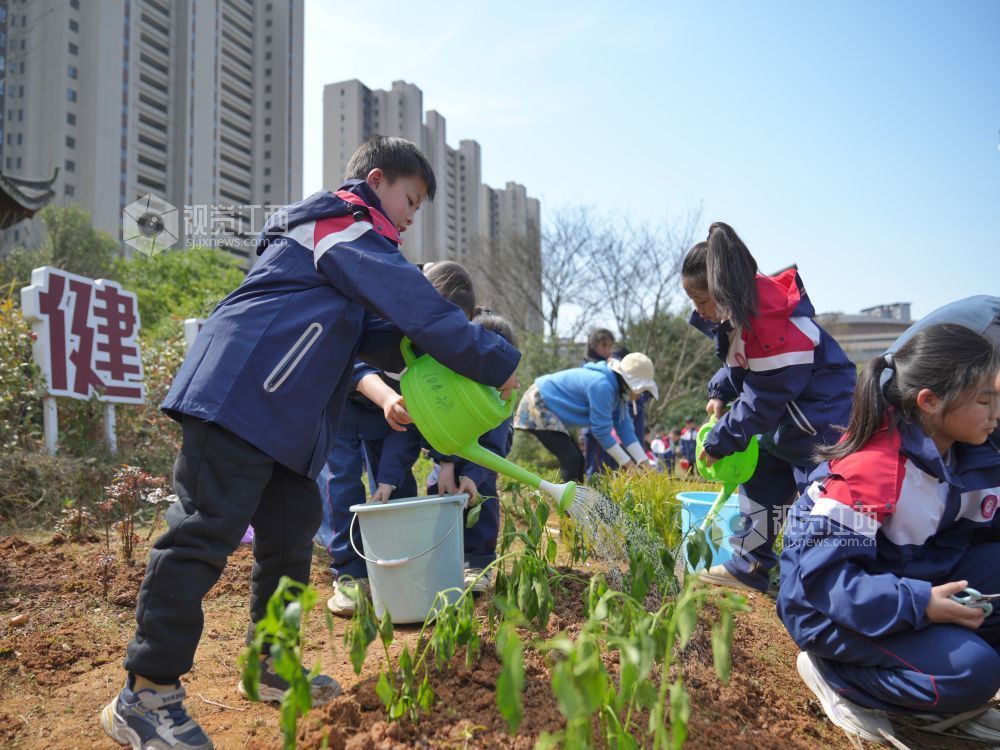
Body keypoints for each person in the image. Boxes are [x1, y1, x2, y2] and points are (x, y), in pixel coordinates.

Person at [100, 136, 520, 750]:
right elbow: (417, 308)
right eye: (411, 198)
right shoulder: (337, 224)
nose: (411, 215)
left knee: (292, 535)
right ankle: (147, 691)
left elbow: (388, 333)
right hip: (241, 394)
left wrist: (439, 365)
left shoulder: (349, 254)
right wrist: (494, 357)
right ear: (377, 181)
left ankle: (271, 665)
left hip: (285, 419)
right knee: (202, 533)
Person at [777, 324, 1000, 744]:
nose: (996, 413)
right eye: (986, 400)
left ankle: (937, 683)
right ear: (930, 402)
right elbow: (825, 581)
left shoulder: (973, 454)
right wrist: (921, 604)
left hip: (904, 571)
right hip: (825, 604)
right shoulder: (873, 470)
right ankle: (839, 675)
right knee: (977, 672)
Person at [681, 222, 855, 593]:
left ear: (723, 291)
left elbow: (763, 399)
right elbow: (741, 366)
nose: (699, 311)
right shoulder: (744, 315)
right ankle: (751, 564)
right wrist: (719, 391)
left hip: (822, 425)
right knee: (761, 482)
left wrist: (720, 440)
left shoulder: (777, 325)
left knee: (825, 499)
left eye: (700, 302)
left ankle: (832, 581)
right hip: (790, 422)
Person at [321, 261, 476, 617]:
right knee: (339, 481)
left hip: (390, 411)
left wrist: (390, 478)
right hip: (340, 400)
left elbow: (413, 427)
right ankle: (349, 572)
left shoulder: (437, 357)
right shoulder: (380, 308)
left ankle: (402, 564)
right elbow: (348, 356)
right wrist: (385, 397)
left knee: (397, 487)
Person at [514, 353, 658, 482]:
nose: (642, 395)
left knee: (577, 461)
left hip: (547, 405)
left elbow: (625, 430)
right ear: (630, 383)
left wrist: (644, 464)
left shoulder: (619, 394)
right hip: (539, 403)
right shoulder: (603, 386)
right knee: (571, 459)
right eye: (642, 390)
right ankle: (567, 508)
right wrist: (629, 466)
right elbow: (601, 433)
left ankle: (575, 506)